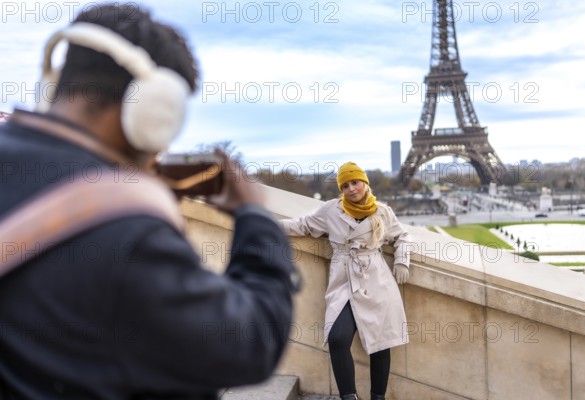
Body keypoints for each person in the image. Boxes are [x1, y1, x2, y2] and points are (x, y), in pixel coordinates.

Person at [0, 3, 299, 399]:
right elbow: (251, 341)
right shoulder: (129, 235)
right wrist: (255, 218)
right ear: (153, 109)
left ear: (55, 84)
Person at [280, 162, 411, 400]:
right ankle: (349, 397)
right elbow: (304, 225)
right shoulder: (331, 210)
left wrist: (402, 261)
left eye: (355, 182)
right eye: (345, 185)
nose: (351, 189)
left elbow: (402, 236)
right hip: (344, 281)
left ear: (365, 183)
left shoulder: (382, 211)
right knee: (337, 338)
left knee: (381, 343)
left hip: (376, 281)